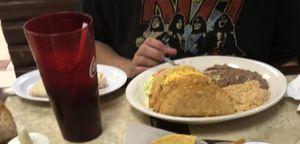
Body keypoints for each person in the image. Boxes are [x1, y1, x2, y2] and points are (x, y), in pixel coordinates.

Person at [77, 0, 300, 78]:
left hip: (251, 118)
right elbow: (90, 43)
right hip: (141, 110)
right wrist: (128, 67)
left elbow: (286, 60)